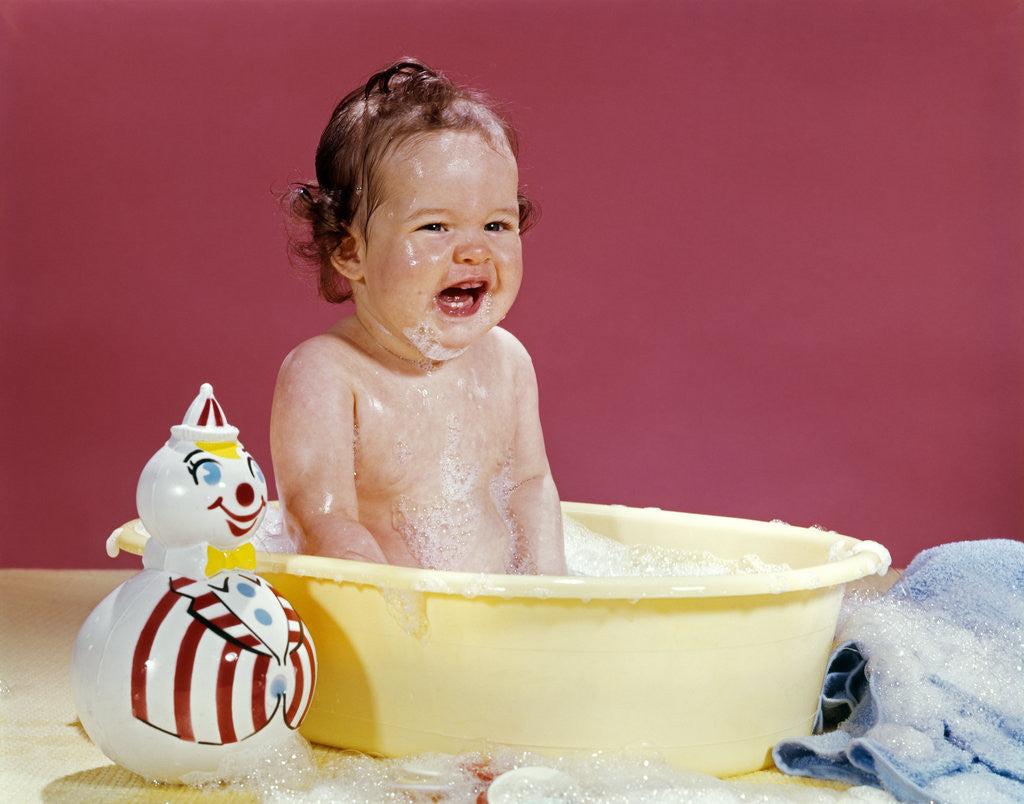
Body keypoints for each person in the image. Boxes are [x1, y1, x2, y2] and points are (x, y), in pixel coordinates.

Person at [270, 59, 566, 574]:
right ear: (350, 251)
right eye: (434, 227)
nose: (474, 251)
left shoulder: (507, 361)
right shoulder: (327, 374)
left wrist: (549, 590)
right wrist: (384, 604)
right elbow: (318, 519)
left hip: (501, 608)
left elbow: (529, 487)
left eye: (497, 225)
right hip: (394, 614)